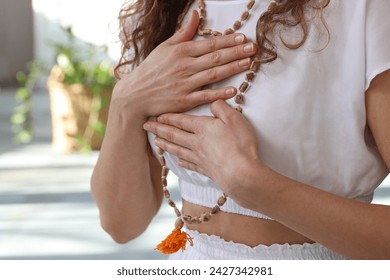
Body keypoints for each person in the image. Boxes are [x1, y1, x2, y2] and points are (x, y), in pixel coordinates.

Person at [91, 0, 390, 259]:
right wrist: (125, 103)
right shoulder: (159, 12)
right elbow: (122, 224)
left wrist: (252, 184)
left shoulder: (362, 10)